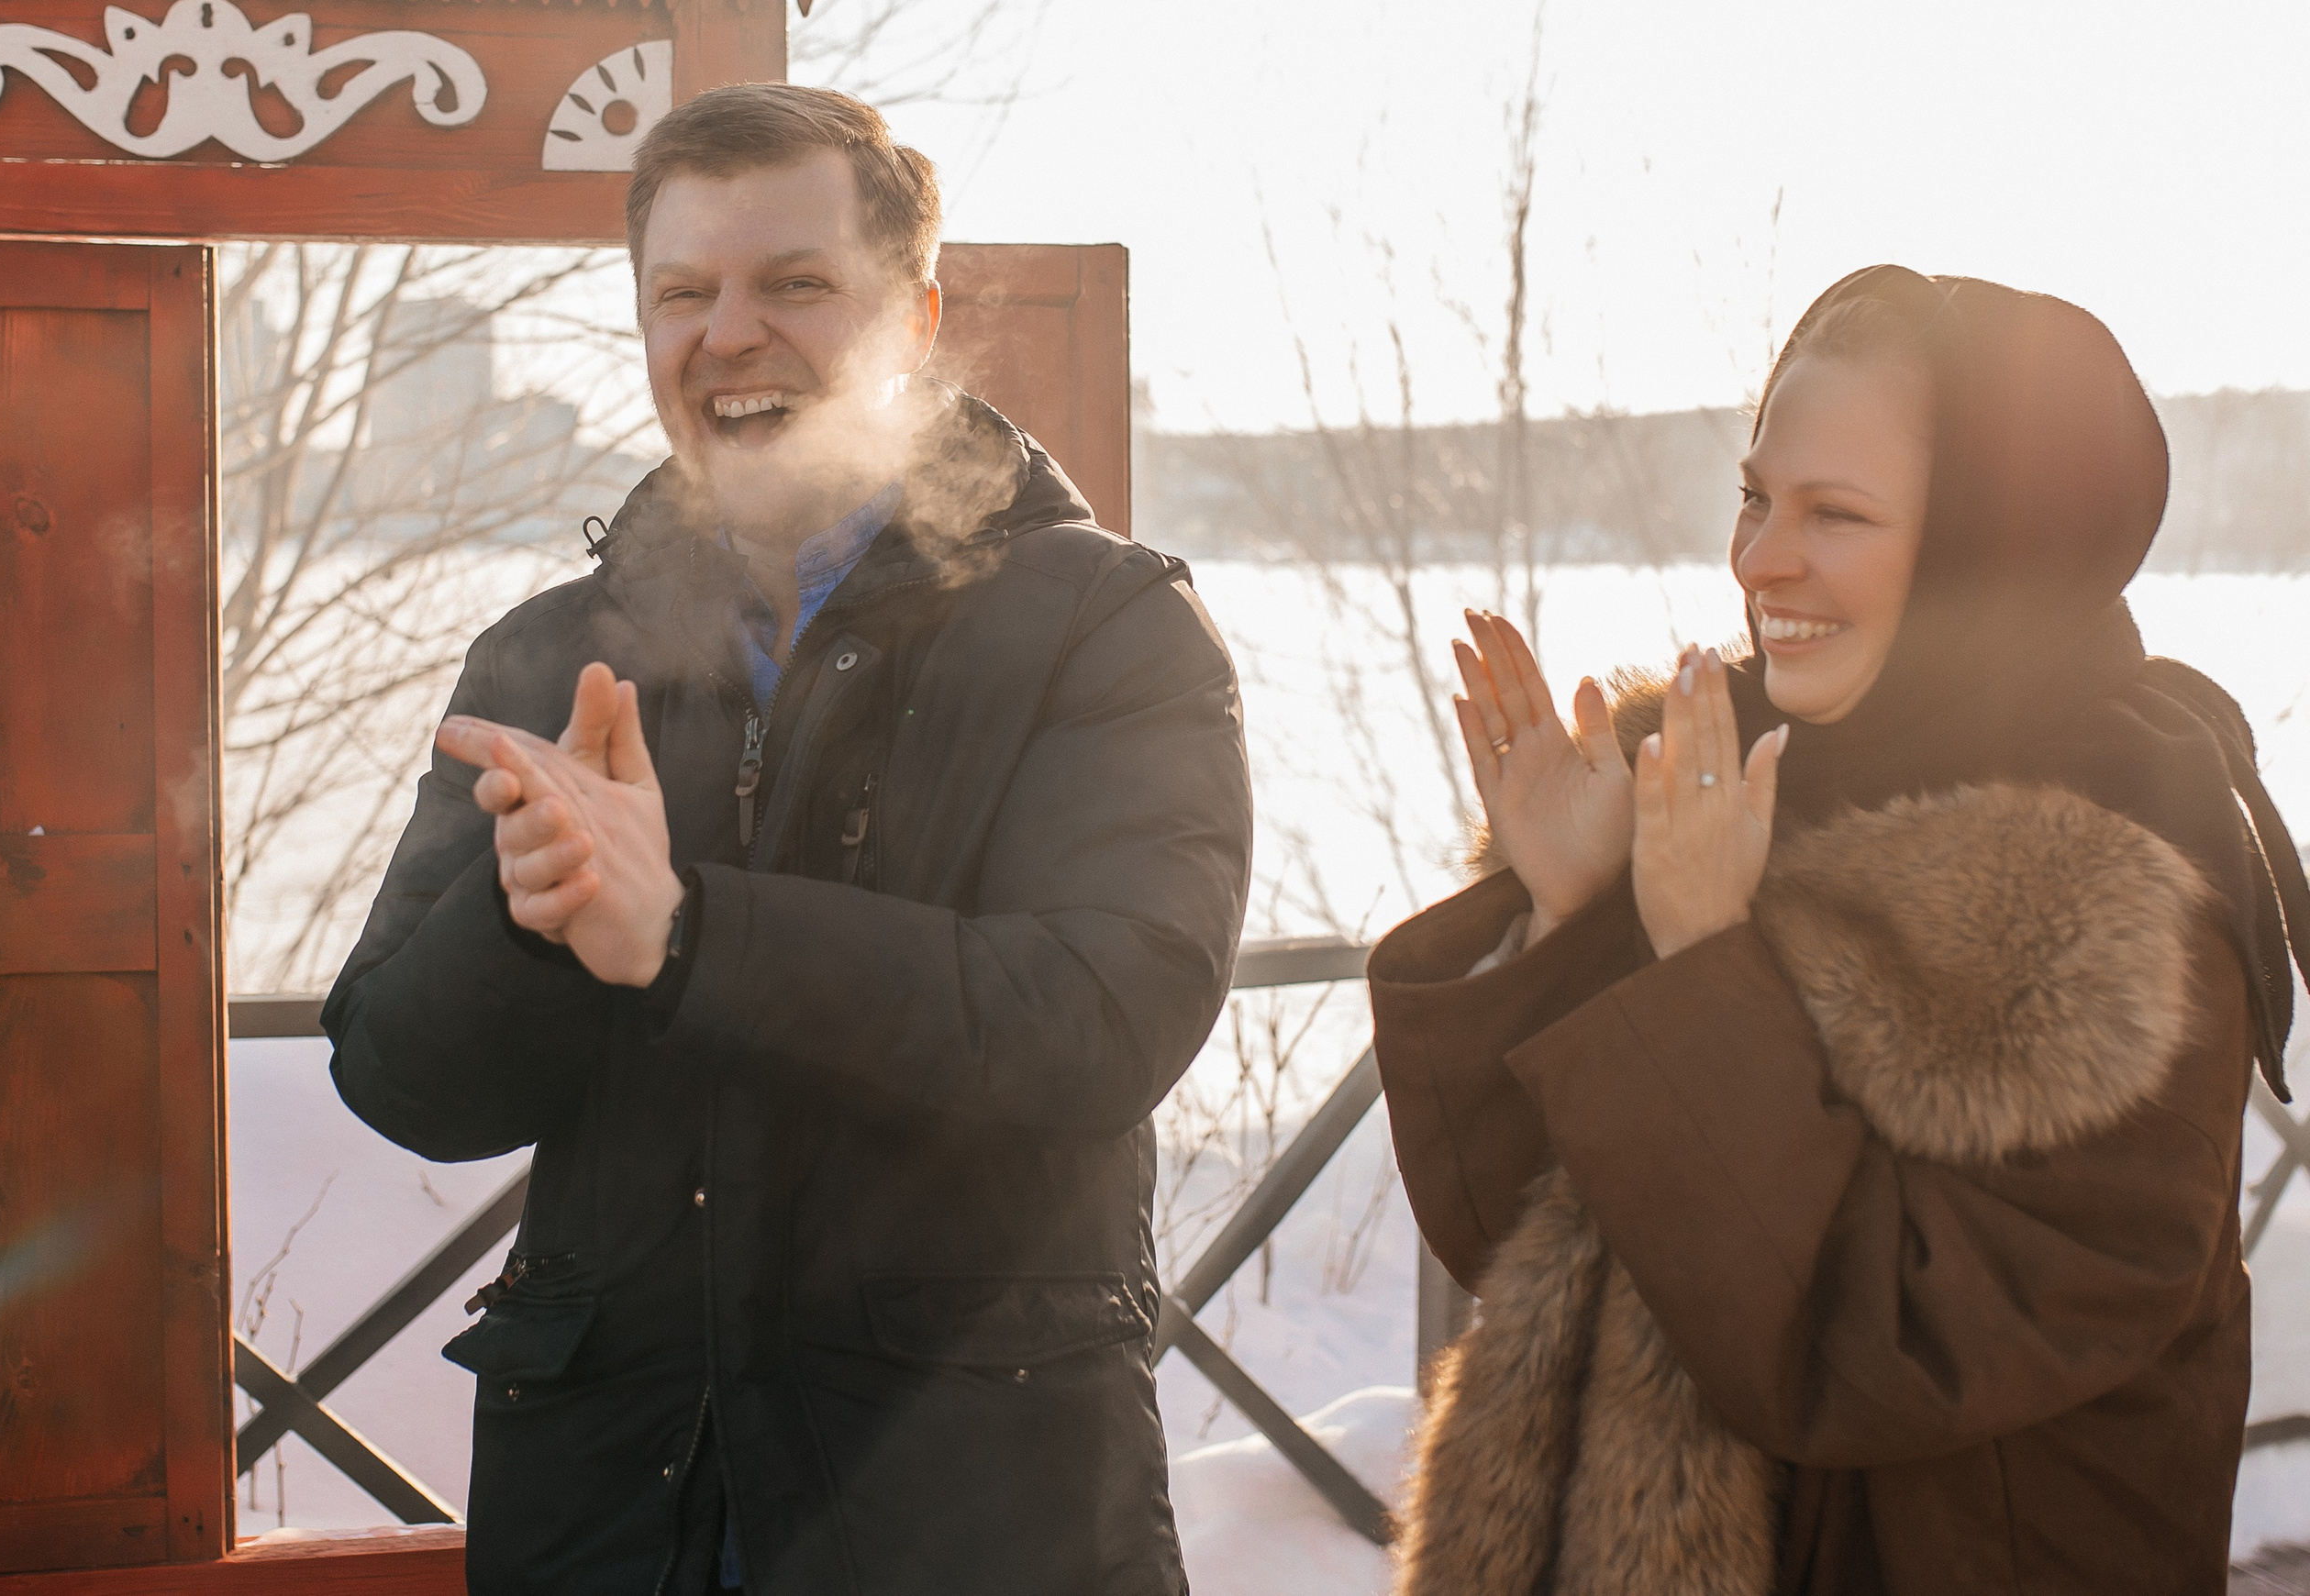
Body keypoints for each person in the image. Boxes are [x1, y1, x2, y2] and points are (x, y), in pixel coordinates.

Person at [324, 83, 1250, 1594]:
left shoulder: (1105, 624)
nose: (729, 334)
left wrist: (684, 937)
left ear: (915, 313)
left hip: (968, 1517)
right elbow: (399, 1080)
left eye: (795, 286)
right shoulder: (547, 655)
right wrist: (526, 914)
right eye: (682, 293)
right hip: (613, 1520)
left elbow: (1104, 1019)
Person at [1366, 266, 2310, 1595]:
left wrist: (1699, 968)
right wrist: (1582, 922)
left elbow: (1878, 1350)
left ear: (1994, 545)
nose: (1761, 560)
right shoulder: (1724, 791)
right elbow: (1533, 1266)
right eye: (1756, 497)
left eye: (1838, 513)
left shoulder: (2108, 917)